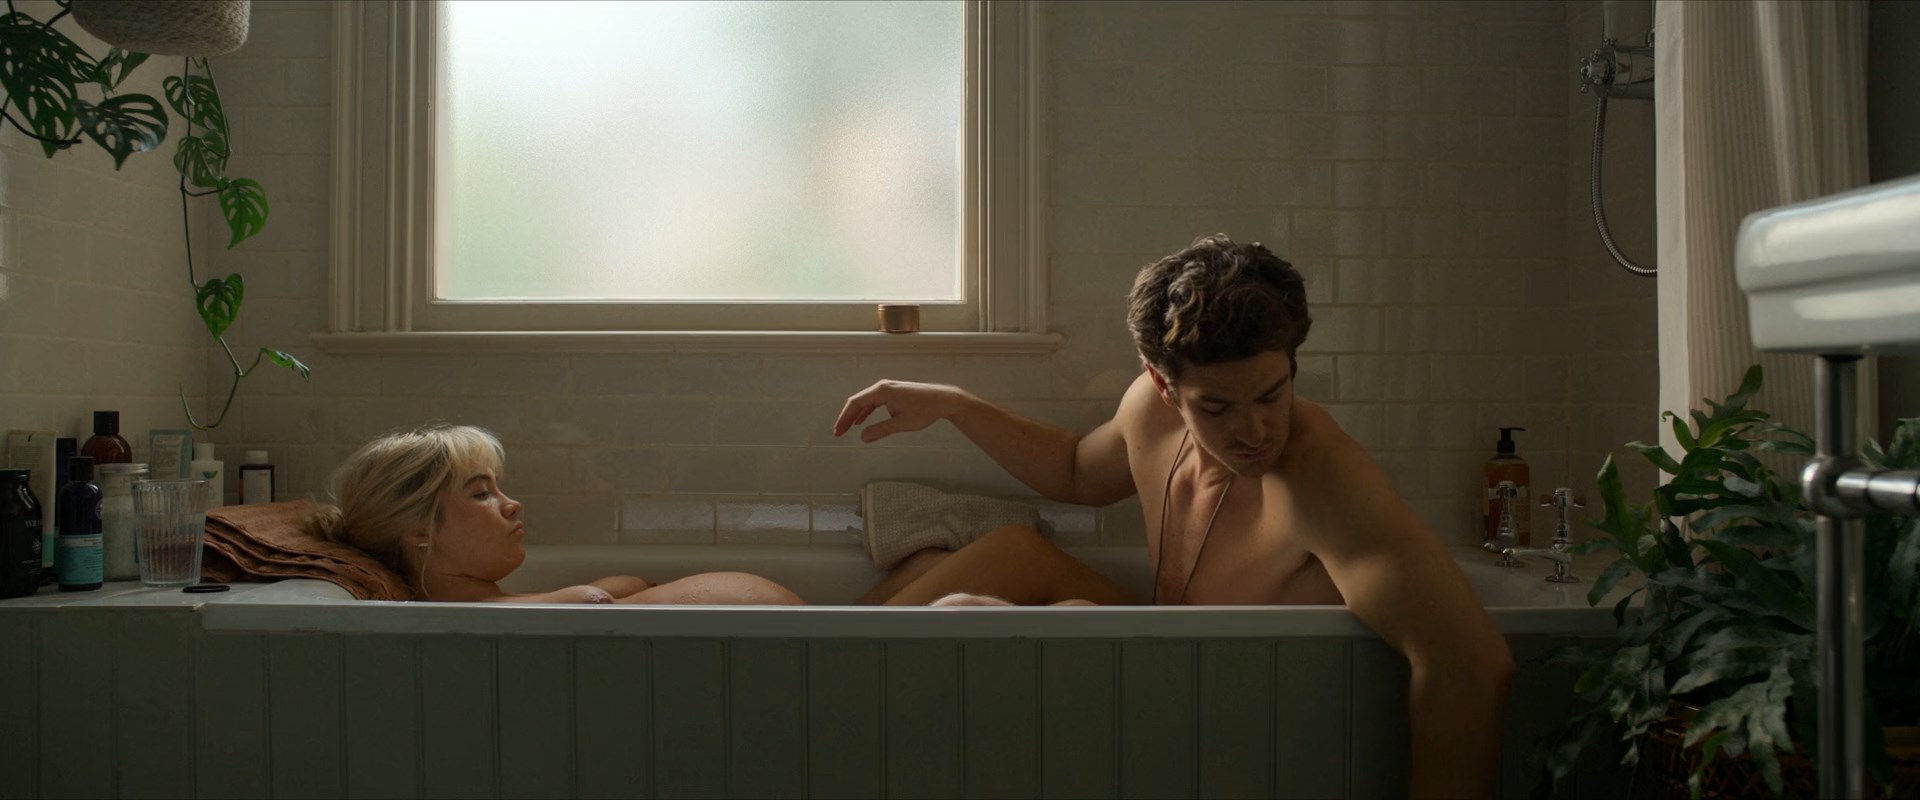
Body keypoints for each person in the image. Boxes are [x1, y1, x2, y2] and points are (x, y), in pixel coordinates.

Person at [832, 233, 1514, 798]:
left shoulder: (1320, 476)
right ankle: (817, 654)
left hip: (1243, 721)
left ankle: (831, 681)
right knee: (1013, 552)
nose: (1255, 432)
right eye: (1217, 407)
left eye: (1271, 395)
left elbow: (1471, 664)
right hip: (1172, 672)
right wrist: (954, 405)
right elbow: (1075, 470)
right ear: (1163, 385)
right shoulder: (1149, 413)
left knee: (1061, 616)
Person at [308, 423, 1110, 606]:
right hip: (820, 675)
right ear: (419, 530)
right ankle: (1166, 642)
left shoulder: (495, 602)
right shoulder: (462, 623)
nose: (511, 503)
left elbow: (619, 594)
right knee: (1011, 551)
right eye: (482, 493)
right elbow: (602, 603)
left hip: (819, 653)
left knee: (932, 566)